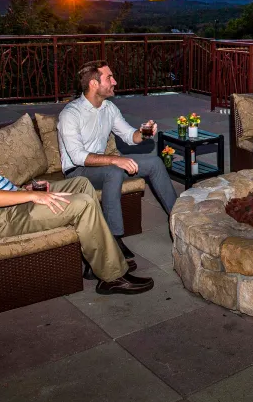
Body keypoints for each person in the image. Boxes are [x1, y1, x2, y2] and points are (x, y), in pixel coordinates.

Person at [0, 91, 153, 295]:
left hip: (9, 203)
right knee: (84, 204)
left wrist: (25, 189)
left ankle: (94, 263)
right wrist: (32, 196)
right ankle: (112, 278)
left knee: (80, 184)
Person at [58, 60, 178, 262]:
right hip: (77, 172)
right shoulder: (70, 114)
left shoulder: (109, 108)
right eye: (109, 77)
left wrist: (144, 133)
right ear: (94, 84)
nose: (114, 81)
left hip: (101, 166)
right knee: (113, 171)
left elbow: (131, 136)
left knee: (155, 163)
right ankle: (114, 238)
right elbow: (77, 157)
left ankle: (178, 219)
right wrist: (115, 160)